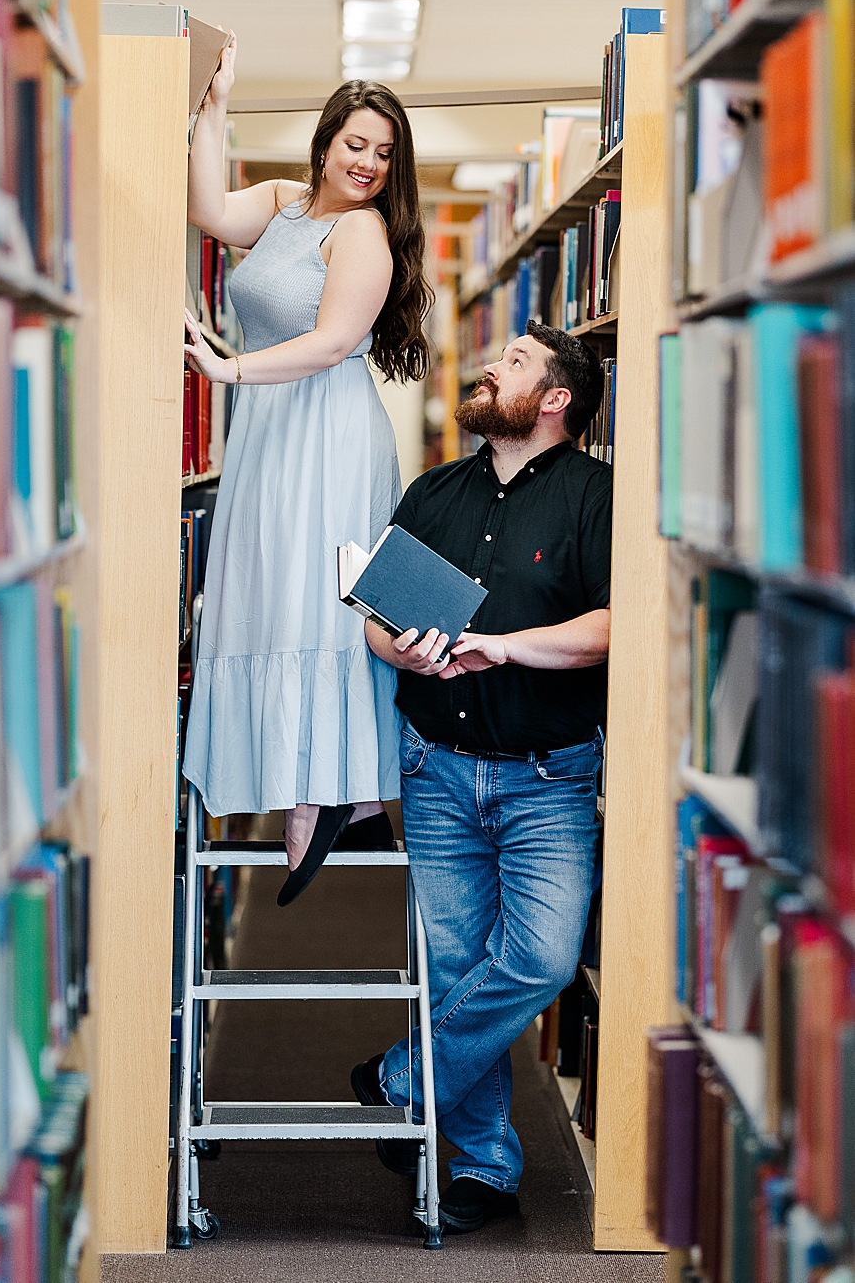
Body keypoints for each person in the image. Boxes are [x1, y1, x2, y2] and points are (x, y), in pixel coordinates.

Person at [351, 320, 611, 1234]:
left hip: (549, 777)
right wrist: (406, 656)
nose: (487, 367)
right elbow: (377, 618)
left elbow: (614, 627)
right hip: (435, 770)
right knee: (460, 965)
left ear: (554, 401)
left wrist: (502, 647)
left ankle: (406, 1078)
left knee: (540, 959)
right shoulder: (434, 493)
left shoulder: (596, 497)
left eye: (513, 362)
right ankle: (488, 1167)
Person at [181, 35, 433, 905]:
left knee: (315, 598)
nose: (366, 163)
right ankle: (335, 791)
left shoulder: (364, 234)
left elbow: (330, 343)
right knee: (266, 587)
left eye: (384, 153)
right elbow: (211, 209)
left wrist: (229, 370)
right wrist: (214, 108)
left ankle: (324, 789)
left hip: (324, 431)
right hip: (269, 430)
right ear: (325, 141)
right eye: (355, 143)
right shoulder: (289, 204)